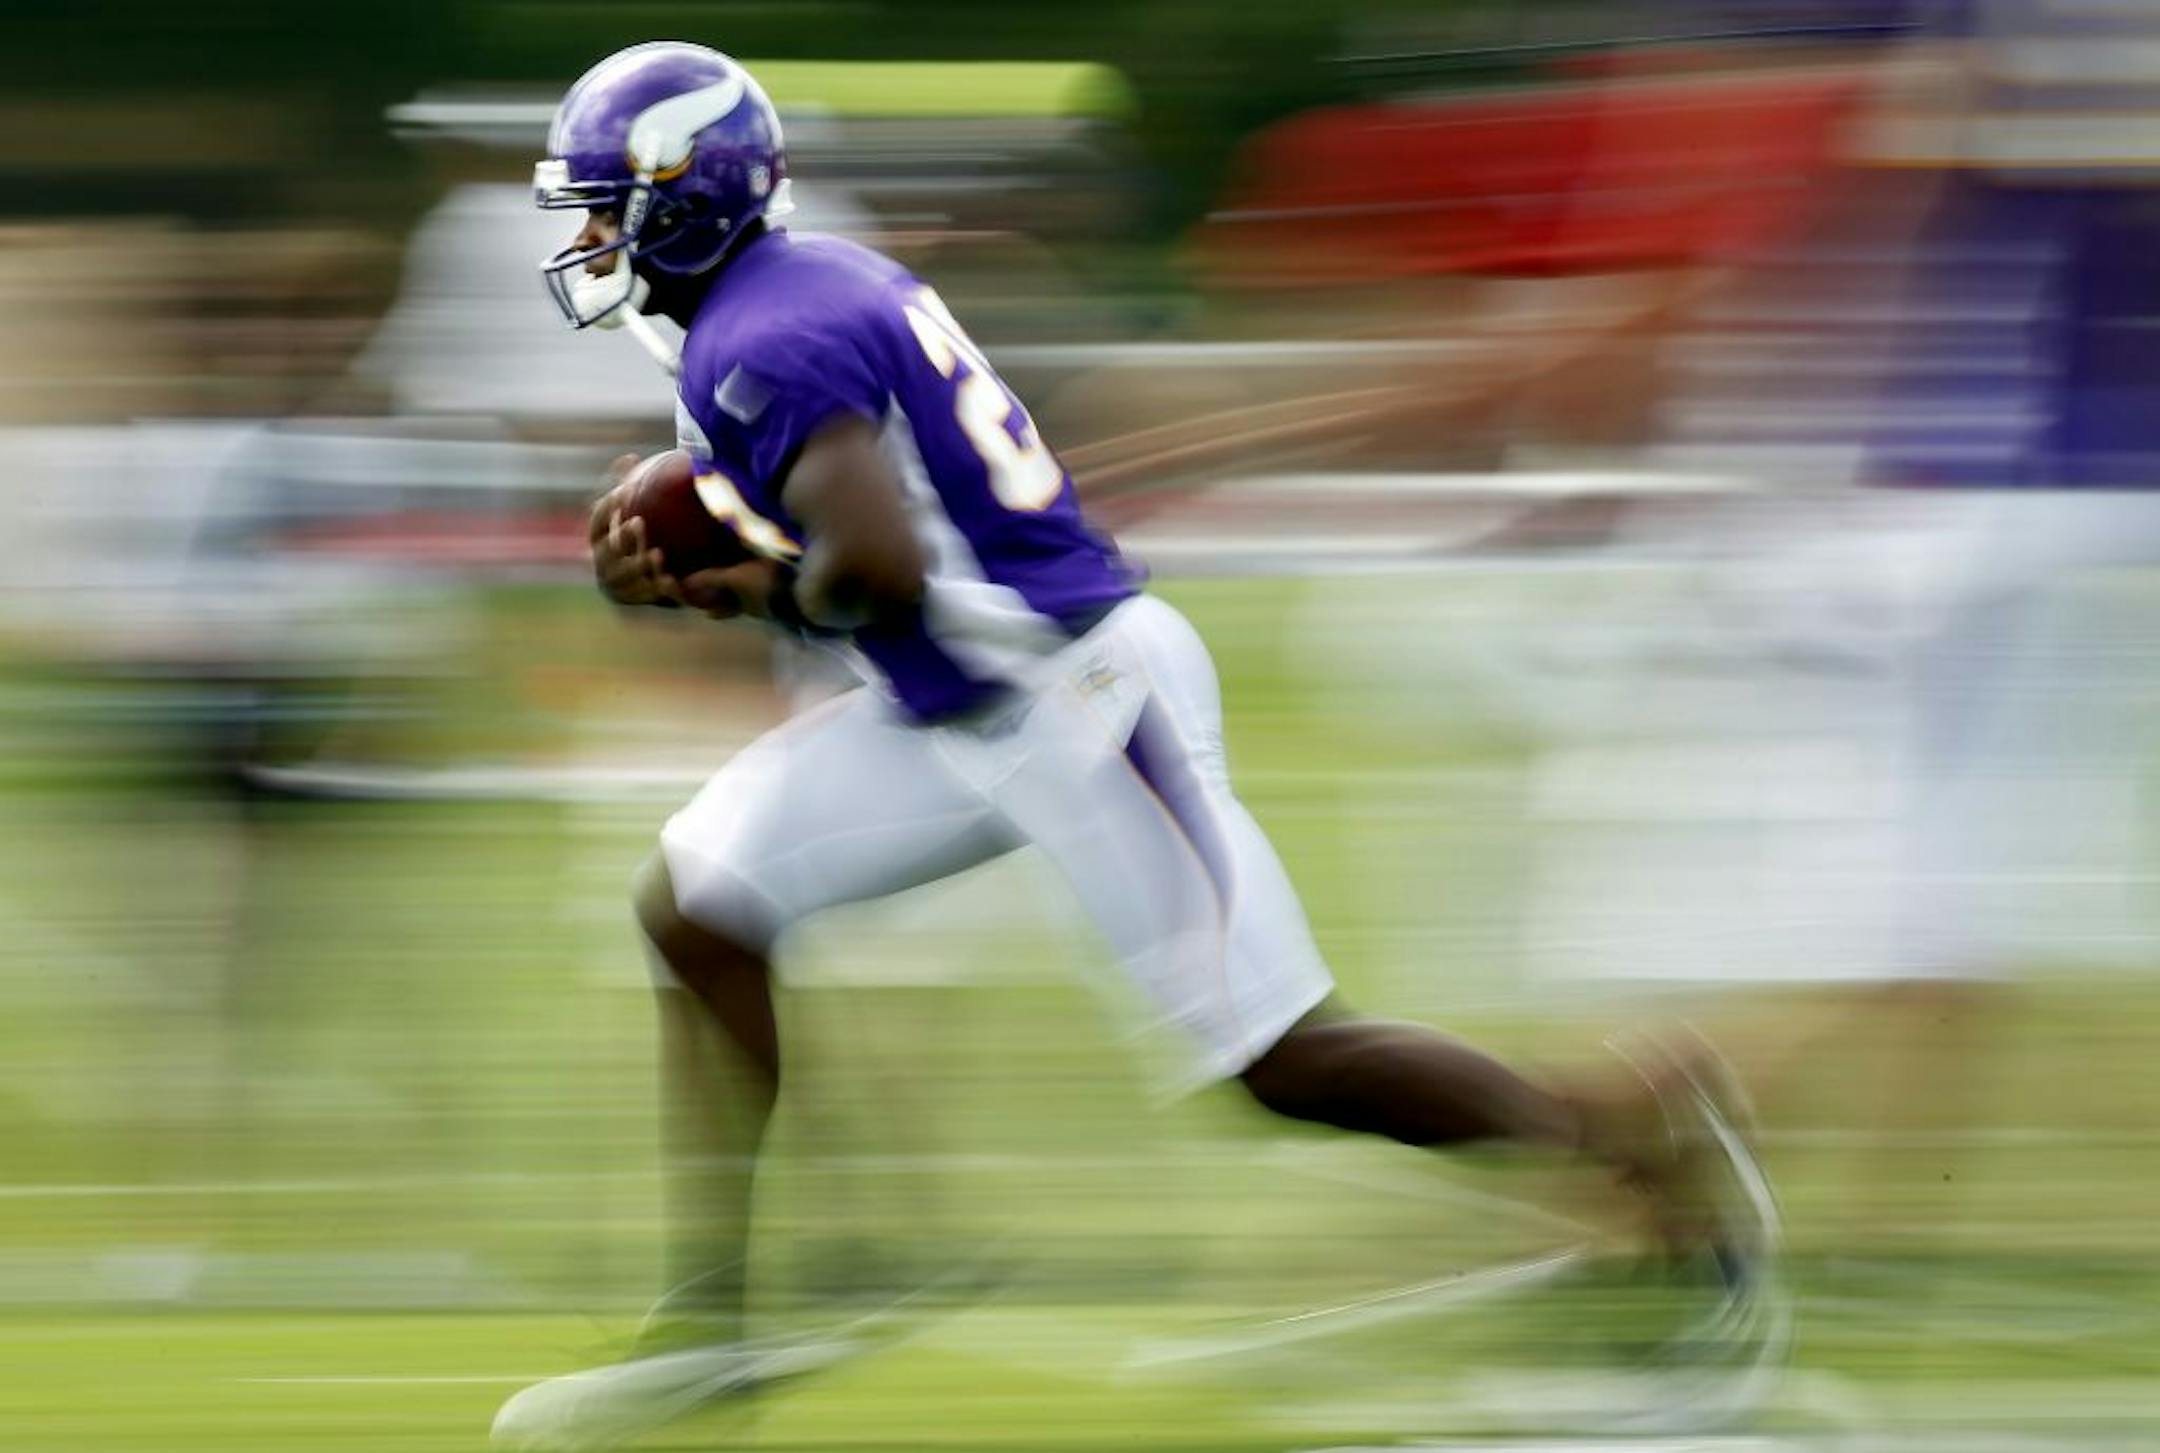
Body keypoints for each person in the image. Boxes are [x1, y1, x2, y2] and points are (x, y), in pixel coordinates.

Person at [491, 42, 1774, 1453]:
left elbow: (877, 568)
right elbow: (846, 553)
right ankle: (717, 1321)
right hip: (951, 707)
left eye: (610, 203)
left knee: (1286, 1061)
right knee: (700, 903)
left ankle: (1632, 1132)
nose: (592, 236)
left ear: (691, 196)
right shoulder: (775, 299)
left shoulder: (761, 339)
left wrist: (734, 582)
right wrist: (691, 568)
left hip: (1074, 696)